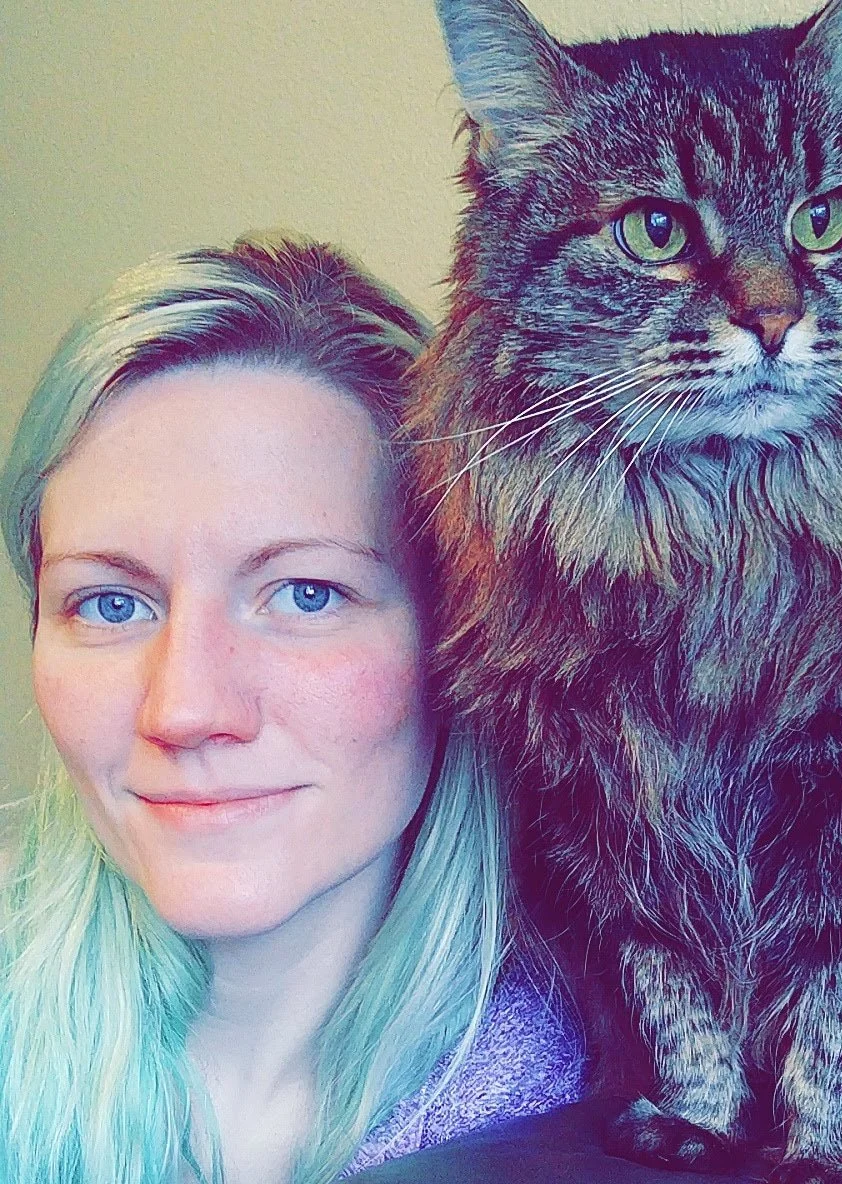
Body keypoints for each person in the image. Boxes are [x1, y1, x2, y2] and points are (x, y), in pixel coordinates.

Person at [0, 235, 583, 1184]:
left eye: (306, 593)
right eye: (110, 603)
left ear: (455, 640)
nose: (185, 708)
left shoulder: (580, 1128)